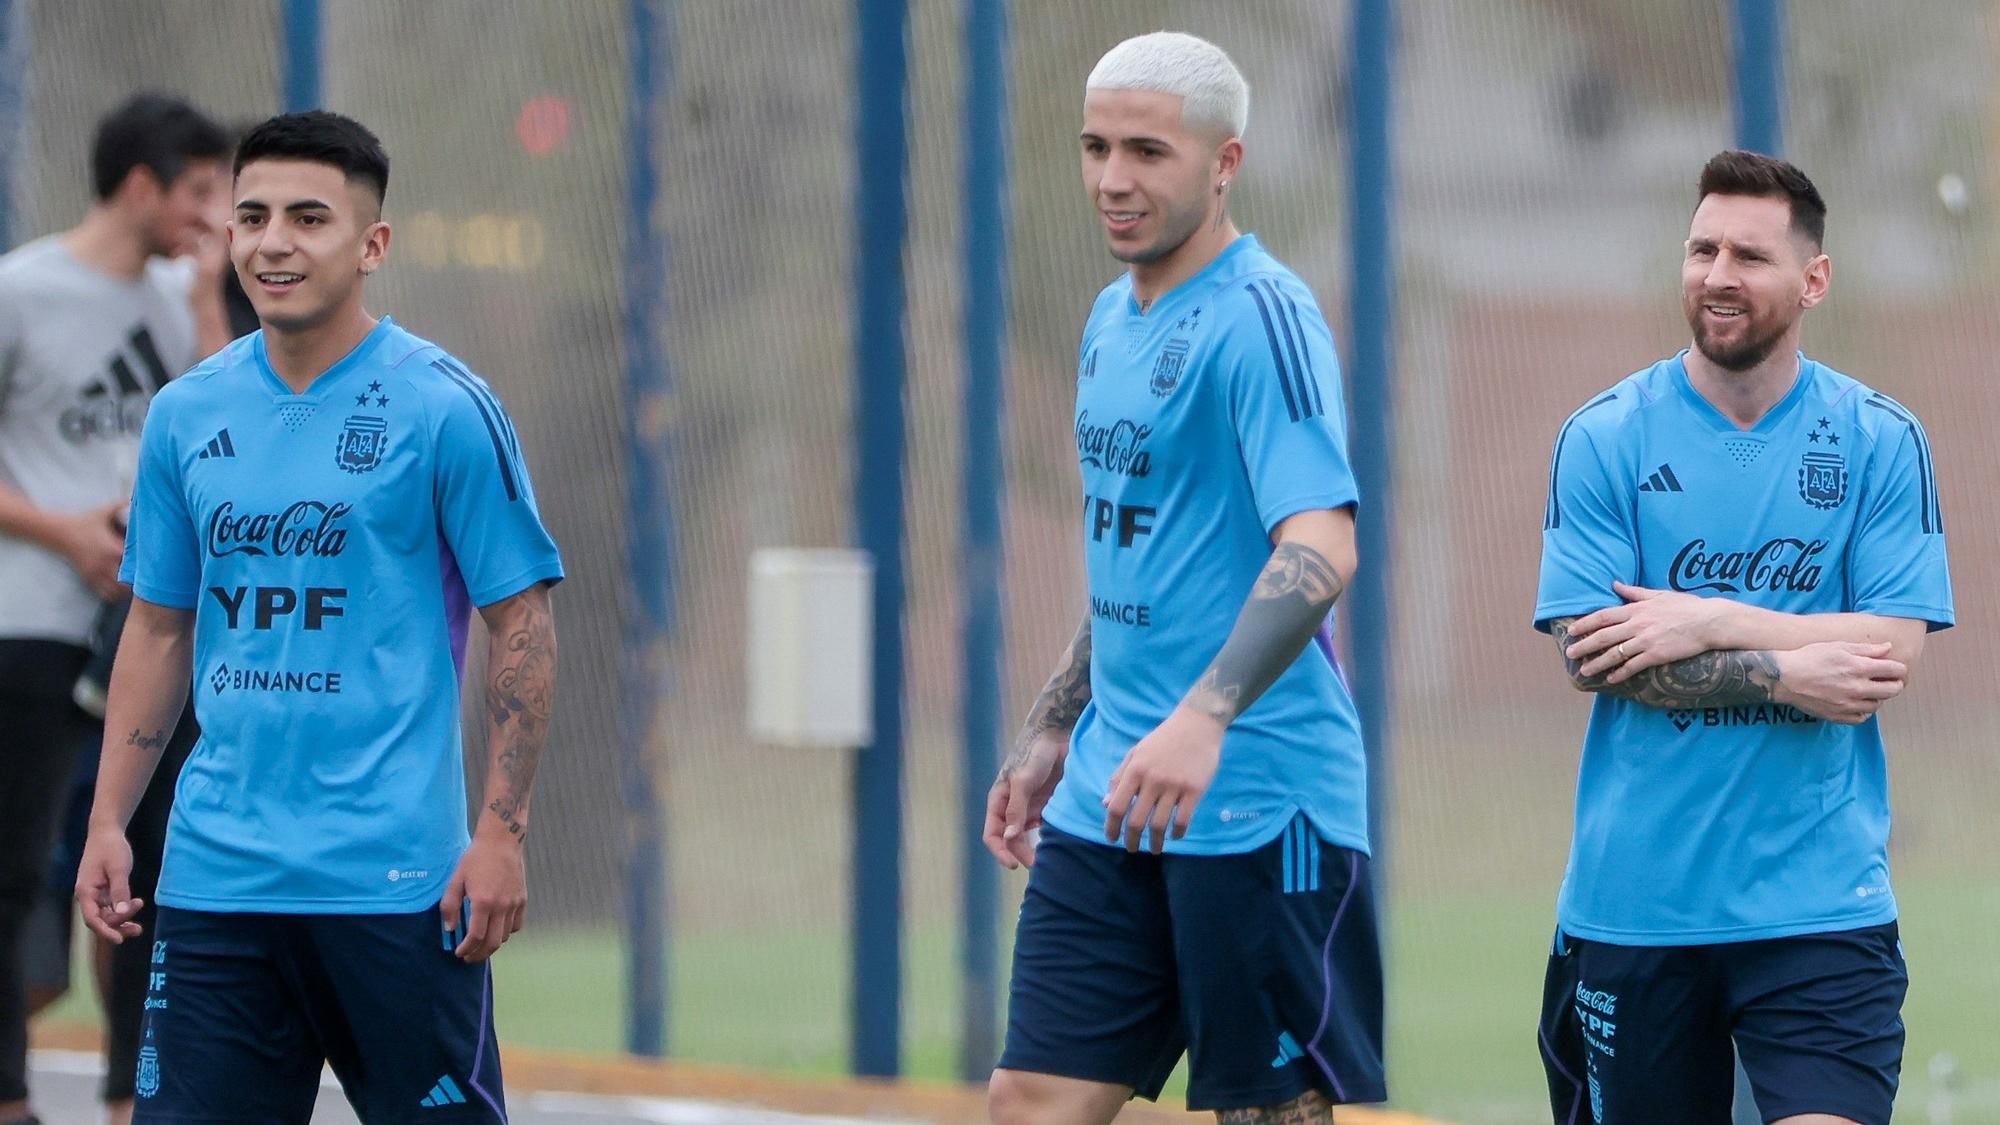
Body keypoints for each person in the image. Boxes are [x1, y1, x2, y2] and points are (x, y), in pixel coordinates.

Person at [73, 110, 564, 1124]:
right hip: (214, 884)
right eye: (251, 217)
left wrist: (502, 835)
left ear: (371, 245)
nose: (273, 242)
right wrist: (110, 820)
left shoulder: (442, 407)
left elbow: (523, 622)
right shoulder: (186, 413)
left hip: (395, 889)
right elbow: (159, 629)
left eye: (308, 217)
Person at [983, 32, 1383, 1124]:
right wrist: (1054, 725)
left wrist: (1201, 718)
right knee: (1028, 1101)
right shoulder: (1111, 319)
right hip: (1112, 791)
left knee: (1265, 1116)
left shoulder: (1263, 318)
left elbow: (1321, 543)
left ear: (1224, 163)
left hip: (1258, 803)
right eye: (1095, 147)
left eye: (1147, 152)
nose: (1113, 178)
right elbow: (1145, 558)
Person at [1534, 151, 1953, 1125]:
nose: (1716, 273)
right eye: (1700, 248)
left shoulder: (1878, 439)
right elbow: (1592, 654)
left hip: (1818, 906)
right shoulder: (1602, 438)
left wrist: (1706, 618)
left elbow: (1891, 648)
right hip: (1634, 907)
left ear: (1812, 281)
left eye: (1747, 255)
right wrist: (1787, 673)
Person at [0, 92, 231, 1125]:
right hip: (35, 621)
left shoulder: (193, 298)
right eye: (198, 191)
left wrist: (208, 297)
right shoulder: (22, 291)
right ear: (140, 186)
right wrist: (68, 531)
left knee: (153, 876)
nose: (215, 213)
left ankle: (129, 1098)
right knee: (11, 870)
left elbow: (237, 411)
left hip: (162, 629)